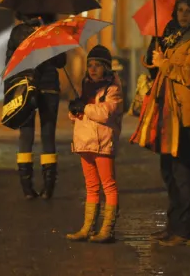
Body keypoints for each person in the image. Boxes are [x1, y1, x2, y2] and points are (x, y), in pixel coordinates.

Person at [145, 0, 190, 247]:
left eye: (189, 11)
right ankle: (174, 225)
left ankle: (187, 232)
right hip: (169, 111)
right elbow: (161, 70)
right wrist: (156, 52)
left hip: (187, 113)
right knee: (168, 170)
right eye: (180, 11)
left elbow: (189, 75)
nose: (183, 16)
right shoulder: (174, 38)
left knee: (182, 169)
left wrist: (164, 63)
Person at [66, 45, 124, 243]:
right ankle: (87, 228)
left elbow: (105, 113)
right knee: (91, 187)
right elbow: (83, 115)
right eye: (90, 65)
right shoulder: (86, 86)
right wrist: (74, 110)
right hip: (85, 143)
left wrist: (86, 107)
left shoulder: (113, 88)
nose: (93, 69)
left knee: (108, 185)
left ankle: (107, 229)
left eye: (98, 65)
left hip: (102, 143)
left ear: (106, 67)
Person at [5, 13, 66, 200]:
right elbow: (61, 61)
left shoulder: (17, 32)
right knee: (47, 135)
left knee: (27, 135)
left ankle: (27, 189)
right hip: (45, 86)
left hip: (26, 87)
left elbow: (9, 62)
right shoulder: (52, 31)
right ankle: (48, 189)